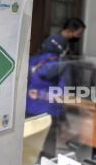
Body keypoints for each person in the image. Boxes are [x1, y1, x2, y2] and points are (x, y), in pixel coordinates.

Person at [25, 17, 86, 157]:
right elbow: (64, 92)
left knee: (31, 142)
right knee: (48, 145)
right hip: (50, 108)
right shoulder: (62, 64)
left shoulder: (32, 60)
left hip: (30, 106)